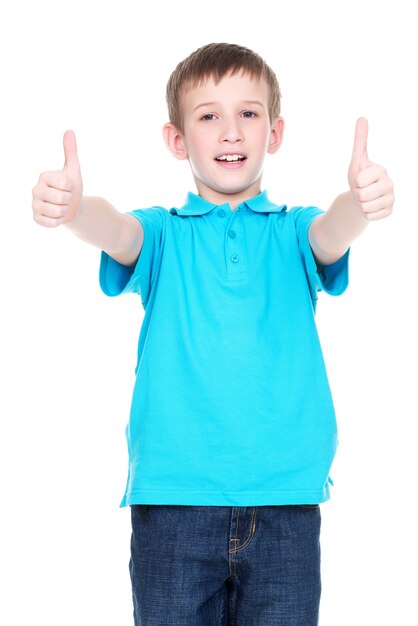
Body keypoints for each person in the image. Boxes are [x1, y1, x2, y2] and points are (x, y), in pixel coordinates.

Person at [32, 42, 394, 626]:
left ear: (274, 133)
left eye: (248, 114)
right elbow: (117, 231)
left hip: (286, 504)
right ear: (178, 140)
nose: (231, 132)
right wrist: (74, 210)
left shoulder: (295, 230)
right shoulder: (164, 233)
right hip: (174, 505)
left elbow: (333, 233)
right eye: (208, 116)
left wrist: (360, 202)